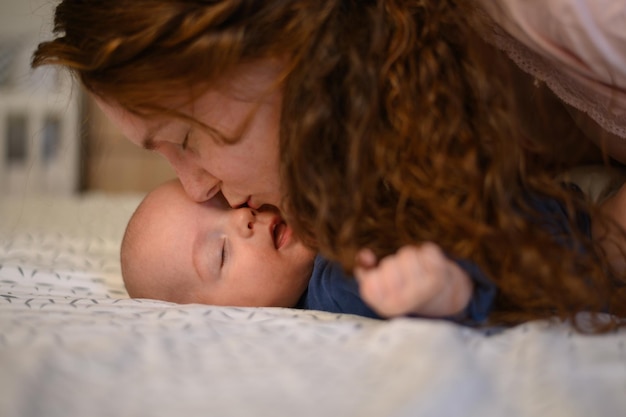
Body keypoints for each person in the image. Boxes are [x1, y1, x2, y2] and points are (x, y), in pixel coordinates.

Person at [32, 0, 626, 330]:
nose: (201, 188)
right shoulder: (365, 187)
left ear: (275, 50)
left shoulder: (574, 17)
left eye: (185, 136)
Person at [121, 179, 495, 323]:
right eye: (220, 253)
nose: (244, 220)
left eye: (231, 203)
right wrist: (446, 292)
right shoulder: (339, 282)